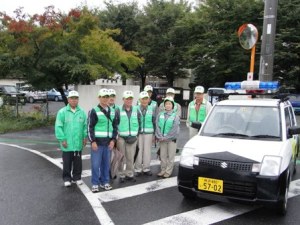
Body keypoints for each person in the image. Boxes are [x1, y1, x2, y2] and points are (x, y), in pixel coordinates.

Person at [55, 90, 87, 187]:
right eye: (72, 98)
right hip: (67, 142)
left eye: (76, 98)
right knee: (67, 161)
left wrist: (84, 137)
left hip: (78, 142)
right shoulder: (62, 112)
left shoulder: (82, 112)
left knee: (78, 161)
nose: (74, 100)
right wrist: (62, 139)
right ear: (68, 99)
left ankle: (77, 177)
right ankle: (67, 178)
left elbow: (85, 126)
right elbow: (58, 126)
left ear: (78, 100)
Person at [87, 88, 118, 192]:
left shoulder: (113, 111)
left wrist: (113, 140)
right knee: (95, 164)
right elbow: (89, 127)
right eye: (103, 97)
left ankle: (105, 182)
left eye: (107, 97)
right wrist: (93, 141)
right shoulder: (94, 110)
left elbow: (115, 127)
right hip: (97, 143)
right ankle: (95, 183)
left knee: (106, 164)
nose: (105, 99)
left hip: (108, 143)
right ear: (99, 98)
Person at [115, 90, 141, 183]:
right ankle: (121, 174)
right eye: (127, 99)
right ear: (123, 99)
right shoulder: (118, 109)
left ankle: (129, 174)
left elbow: (139, 122)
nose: (129, 100)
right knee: (121, 157)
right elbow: (115, 123)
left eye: (130, 99)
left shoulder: (136, 109)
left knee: (130, 157)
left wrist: (136, 134)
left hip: (133, 138)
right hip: (121, 138)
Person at [155, 97, 180, 178]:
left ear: (172, 105)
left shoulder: (175, 116)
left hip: (171, 140)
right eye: (166, 104)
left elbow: (175, 129)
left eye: (169, 104)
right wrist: (159, 136)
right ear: (164, 105)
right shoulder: (160, 114)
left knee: (170, 156)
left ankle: (168, 171)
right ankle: (163, 170)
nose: (168, 105)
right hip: (162, 139)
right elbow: (157, 126)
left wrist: (166, 137)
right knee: (162, 155)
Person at [135, 91, 156, 176]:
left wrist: (155, 134)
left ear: (148, 99)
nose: (144, 101)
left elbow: (154, 122)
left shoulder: (152, 108)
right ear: (140, 99)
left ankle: (146, 168)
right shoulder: (135, 108)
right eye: (143, 99)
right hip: (138, 133)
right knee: (138, 151)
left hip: (149, 133)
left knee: (147, 151)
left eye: (146, 99)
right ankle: (138, 169)